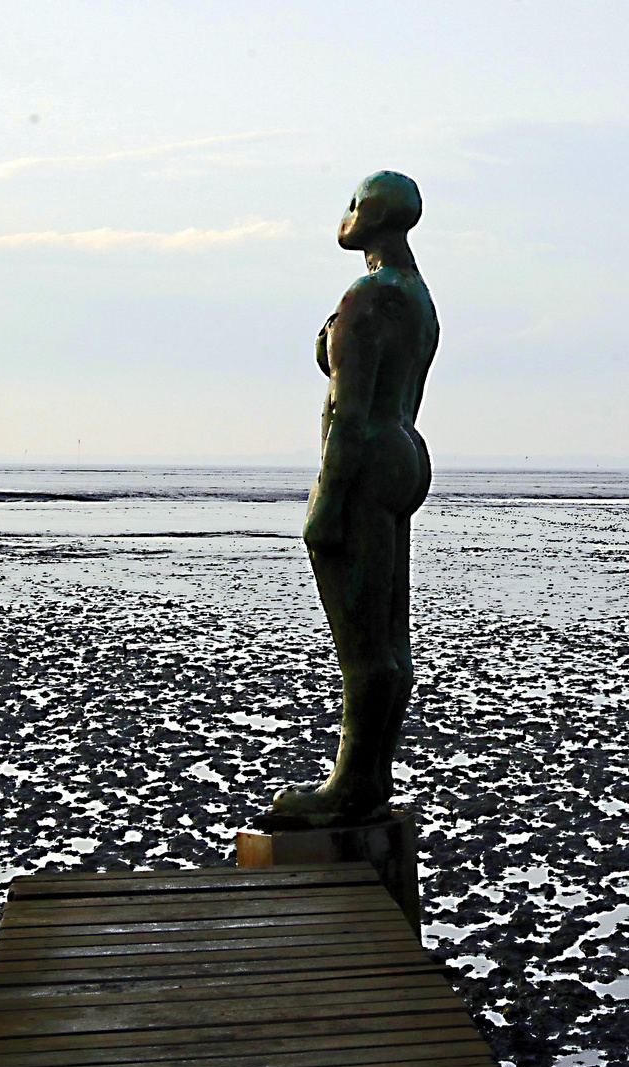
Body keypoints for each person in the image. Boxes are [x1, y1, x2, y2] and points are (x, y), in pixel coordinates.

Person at [270, 171, 439, 826]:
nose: (341, 215)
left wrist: (328, 499)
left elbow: (346, 404)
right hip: (403, 451)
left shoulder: (371, 294)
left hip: (366, 458)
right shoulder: (415, 295)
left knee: (363, 641)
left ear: (370, 215)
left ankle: (350, 784)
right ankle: (369, 777)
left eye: (350, 204)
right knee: (388, 637)